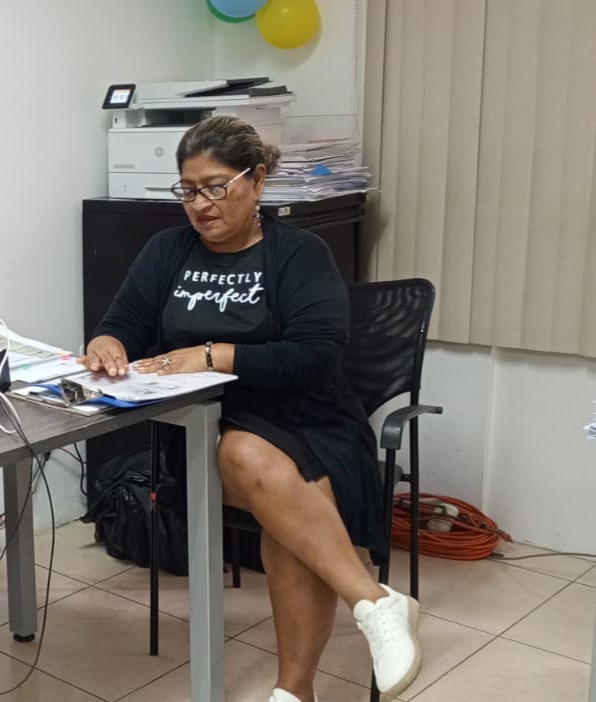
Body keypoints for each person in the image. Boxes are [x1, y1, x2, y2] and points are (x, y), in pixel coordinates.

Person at [80, 115, 421, 702]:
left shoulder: (300, 254)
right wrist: (106, 343)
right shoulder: (167, 251)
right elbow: (121, 325)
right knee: (253, 462)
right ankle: (372, 603)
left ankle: (295, 691)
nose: (200, 204)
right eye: (188, 190)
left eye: (216, 187)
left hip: (310, 419)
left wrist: (213, 354)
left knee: (279, 490)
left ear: (257, 180)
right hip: (202, 428)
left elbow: (315, 358)